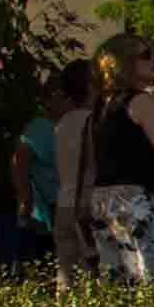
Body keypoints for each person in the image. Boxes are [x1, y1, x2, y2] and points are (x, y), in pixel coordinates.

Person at [86, 33, 154, 285]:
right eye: (144, 55)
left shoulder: (101, 106)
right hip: (137, 198)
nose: (153, 61)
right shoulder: (141, 101)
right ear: (124, 61)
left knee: (114, 279)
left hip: (103, 200)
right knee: (146, 275)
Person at [8, 70, 72, 274]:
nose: (68, 102)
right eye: (63, 96)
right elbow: (19, 161)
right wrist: (25, 199)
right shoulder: (42, 126)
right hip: (47, 210)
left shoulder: (64, 126)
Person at [52, 62, 97, 289]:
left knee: (66, 276)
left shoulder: (61, 123)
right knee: (93, 276)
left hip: (63, 203)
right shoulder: (94, 122)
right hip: (87, 205)